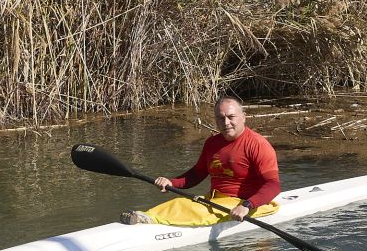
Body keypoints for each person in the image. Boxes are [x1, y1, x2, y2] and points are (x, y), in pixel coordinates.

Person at [120, 95, 281, 226]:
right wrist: (171, 183)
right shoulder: (212, 143)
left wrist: (247, 206)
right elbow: (197, 174)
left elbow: (273, 185)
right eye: (220, 118)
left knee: (188, 207)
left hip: (245, 204)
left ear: (243, 117)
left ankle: (150, 220)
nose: (226, 123)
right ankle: (146, 216)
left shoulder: (258, 144)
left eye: (231, 117)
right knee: (179, 202)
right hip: (216, 200)